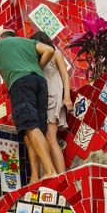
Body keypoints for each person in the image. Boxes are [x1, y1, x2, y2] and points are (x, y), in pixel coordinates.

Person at [0, 28, 56, 182]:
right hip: (40, 83)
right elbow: (49, 50)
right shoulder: (28, 42)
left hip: (20, 84)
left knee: (31, 127)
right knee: (34, 130)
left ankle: (50, 171)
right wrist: (36, 68)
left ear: (0, 38)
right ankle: (35, 177)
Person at [31, 31, 72, 175]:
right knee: (47, 138)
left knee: (50, 137)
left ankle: (61, 175)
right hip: (43, 100)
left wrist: (67, 96)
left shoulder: (55, 53)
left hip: (54, 97)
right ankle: (55, 173)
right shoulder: (37, 59)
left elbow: (65, 75)